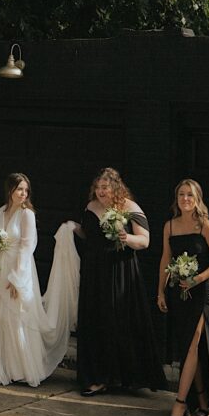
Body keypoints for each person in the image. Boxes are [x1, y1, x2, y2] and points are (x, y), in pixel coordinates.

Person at [0, 173, 78, 387]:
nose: (23, 194)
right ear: (10, 190)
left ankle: (21, 369)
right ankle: (0, 367)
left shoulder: (27, 215)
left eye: (25, 190)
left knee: (15, 318)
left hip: (18, 270)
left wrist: (16, 279)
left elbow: (26, 246)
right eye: (19, 189)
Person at [75, 167, 166, 396]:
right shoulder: (90, 207)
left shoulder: (129, 207)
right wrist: (73, 230)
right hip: (94, 272)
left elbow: (145, 241)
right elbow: (88, 235)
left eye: (105, 187)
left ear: (115, 187)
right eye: (97, 188)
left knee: (116, 320)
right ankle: (96, 376)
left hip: (120, 271)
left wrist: (126, 237)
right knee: (95, 319)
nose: (100, 192)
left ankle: (120, 376)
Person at [157, 179, 209, 416]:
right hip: (178, 292)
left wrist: (197, 279)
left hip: (203, 291)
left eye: (190, 195)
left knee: (192, 343)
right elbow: (166, 258)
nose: (185, 199)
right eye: (181, 195)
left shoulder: (204, 226)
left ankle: (180, 403)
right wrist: (161, 292)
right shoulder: (170, 226)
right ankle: (202, 399)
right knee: (189, 345)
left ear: (198, 199)